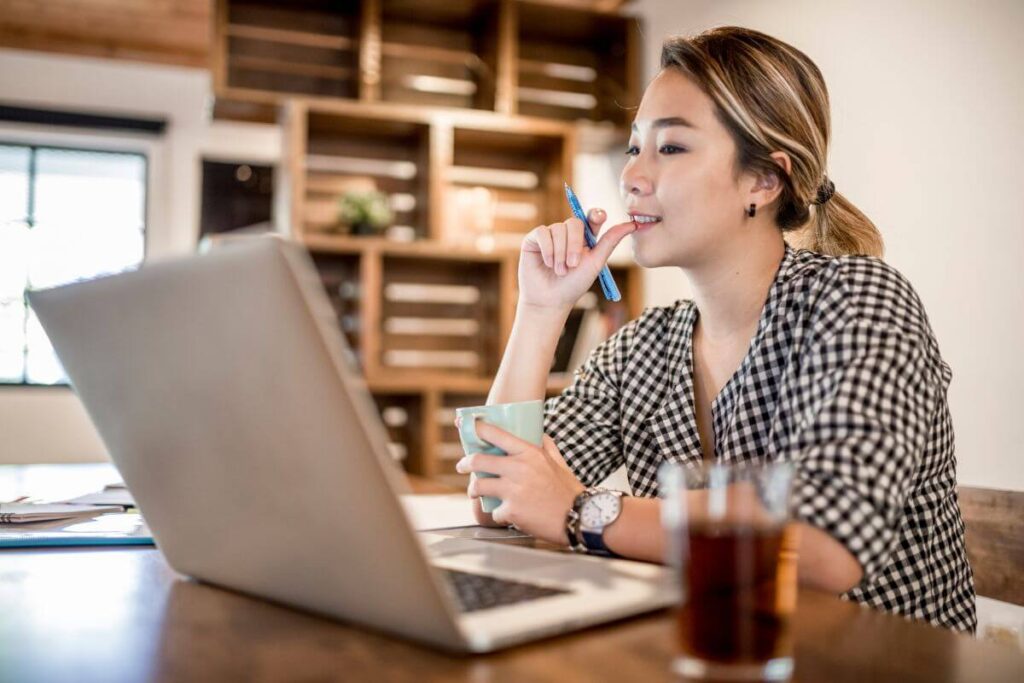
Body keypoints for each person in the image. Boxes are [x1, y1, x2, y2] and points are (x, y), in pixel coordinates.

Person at [455, 26, 975, 632]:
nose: (632, 178)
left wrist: (581, 511)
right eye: (633, 148)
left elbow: (826, 544)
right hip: (713, 654)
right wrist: (541, 310)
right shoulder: (641, 350)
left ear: (764, 180)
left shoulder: (857, 299)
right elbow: (497, 498)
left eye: (670, 149)